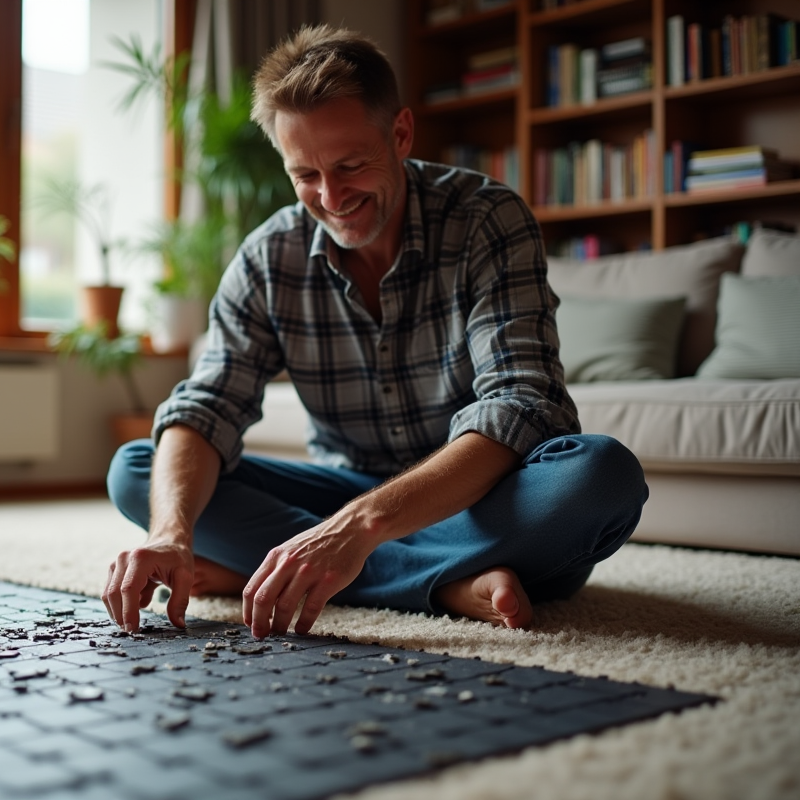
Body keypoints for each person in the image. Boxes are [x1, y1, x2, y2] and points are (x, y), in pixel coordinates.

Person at [104, 25, 646, 639]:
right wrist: (170, 535)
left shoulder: (486, 218)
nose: (331, 197)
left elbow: (524, 403)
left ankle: (316, 568)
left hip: (476, 494)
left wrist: (357, 529)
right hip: (342, 490)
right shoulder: (267, 257)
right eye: (305, 174)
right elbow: (206, 408)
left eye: (350, 165)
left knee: (598, 476)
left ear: (401, 133)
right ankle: (444, 583)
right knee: (141, 469)